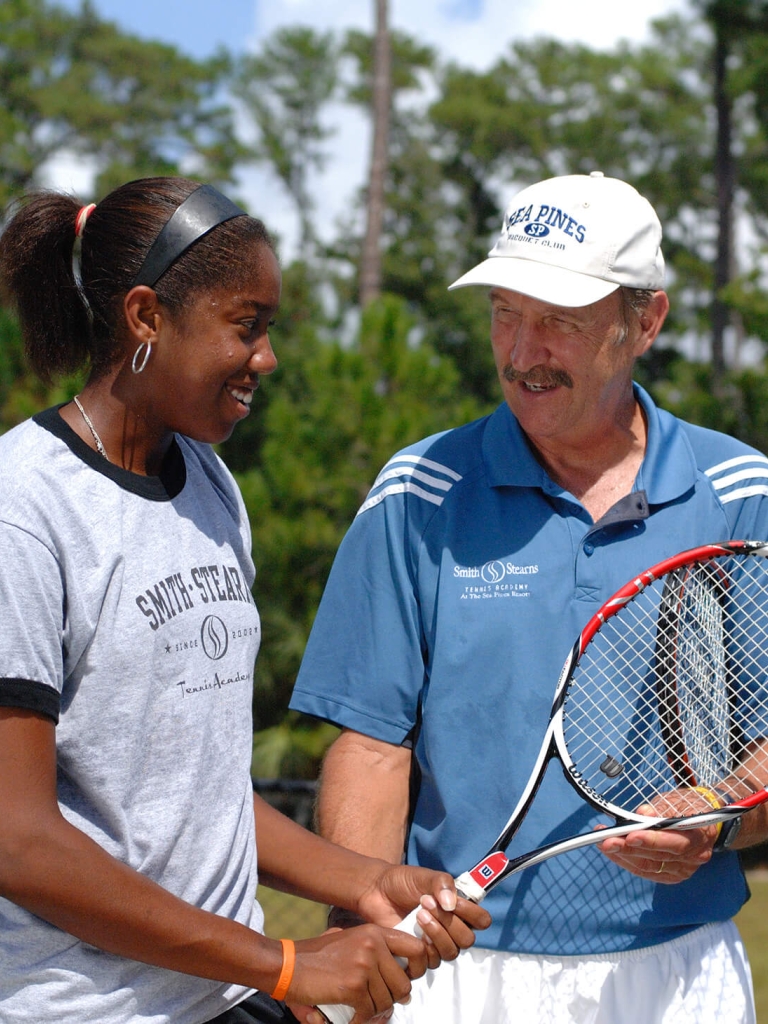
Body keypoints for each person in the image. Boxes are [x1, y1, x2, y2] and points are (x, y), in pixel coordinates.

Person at [0, 177, 490, 1024]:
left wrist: (367, 880)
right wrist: (288, 964)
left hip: (225, 997)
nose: (267, 357)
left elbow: (202, 790)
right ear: (147, 317)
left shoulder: (212, 489)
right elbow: (19, 841)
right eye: (246, 326)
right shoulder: (25, 510)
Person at [289, 171, 768, 1024]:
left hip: (679, 976)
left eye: (561, 321)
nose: (522, 351)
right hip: (457, 975)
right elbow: (371, 747)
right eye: (506, 312)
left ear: (644, 322)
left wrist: (720, 817)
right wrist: (356, 932)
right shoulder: (416, 492)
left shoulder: (740, 493)